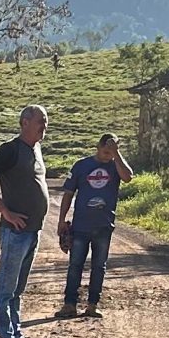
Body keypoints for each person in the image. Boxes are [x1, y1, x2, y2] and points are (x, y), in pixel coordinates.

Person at [0, 105, 51, 338]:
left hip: (33, 231)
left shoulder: (35, 149)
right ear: (25, 122)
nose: (45, 126)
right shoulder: (10, 150)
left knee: (18, 290)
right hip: (15, 232)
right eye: (41, 121)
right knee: (5, 290)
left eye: (46, 121)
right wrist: (5, 212)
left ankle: (17, 336)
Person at [56, 133, 130, 318]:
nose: (107, 156)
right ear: (98, 147)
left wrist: (117, 154)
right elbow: (68, 193)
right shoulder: (81, 166)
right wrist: (61, 220)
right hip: (81, 226)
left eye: (111, 152)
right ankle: (69, 304)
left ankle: (92, 305)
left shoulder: (116, 165)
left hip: (104, 226)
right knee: (75, 265)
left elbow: (128, 177)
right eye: (105, 152)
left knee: (99, 266)